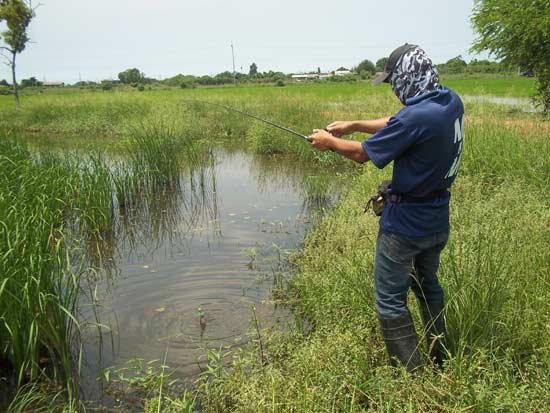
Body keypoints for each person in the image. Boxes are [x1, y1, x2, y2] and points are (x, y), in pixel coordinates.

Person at [308, 44, 464, 370]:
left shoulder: (416, 118)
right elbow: (400, 122)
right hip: (436, 220)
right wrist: (354, 124)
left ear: (407, 77)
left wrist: (330, 142)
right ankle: (440, 356)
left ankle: (410, 375)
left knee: (391, 299)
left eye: (394, 80)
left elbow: (361, 155)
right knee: (426, 285)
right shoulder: (448, 101)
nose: (393, 88)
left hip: (405, 226)